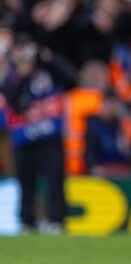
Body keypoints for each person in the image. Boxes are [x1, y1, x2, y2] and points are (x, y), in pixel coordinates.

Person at [0, 35, 76, 233]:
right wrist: (22, 75)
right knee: (26, 182)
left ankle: (56, 221)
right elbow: (13, 103)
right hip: (23, 138)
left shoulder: (49, 71)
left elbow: (71, 80)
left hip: (49, 136)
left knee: (54, 181)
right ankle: (27, 221)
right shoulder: (11, 75)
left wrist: (50, 59)